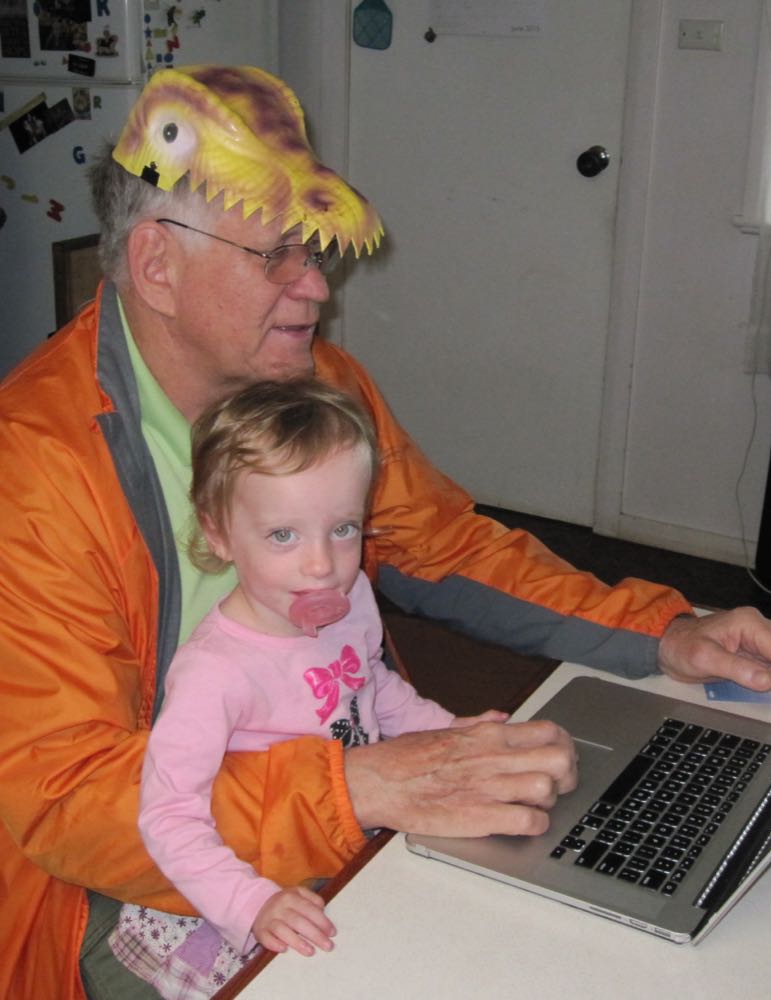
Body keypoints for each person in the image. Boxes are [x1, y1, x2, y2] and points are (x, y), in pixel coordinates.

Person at [0, 65, 771, 1000]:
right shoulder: (30, 471)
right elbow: (69, 802)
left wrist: (664, 633)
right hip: (122, 883)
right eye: (278, 255)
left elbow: (441, 548)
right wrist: (358, 788)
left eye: (316, 250)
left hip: (328, 779)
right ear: (157, 265)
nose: (317, 287)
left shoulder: (319, 389)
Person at [109, 378, 514, 998]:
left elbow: (371, 685)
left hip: (346, 837)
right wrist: (249, 904)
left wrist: (448, 731)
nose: (322, 565)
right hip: (243, 883)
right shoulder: (215, 672)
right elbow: (167, 816)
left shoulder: (349, 600)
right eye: (283, 535)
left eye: (343, 529)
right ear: (218, 534)